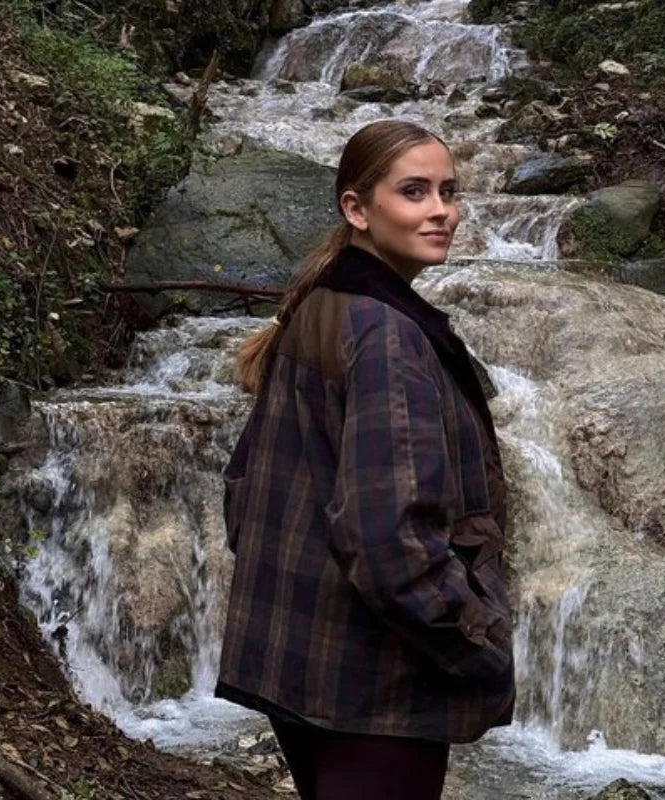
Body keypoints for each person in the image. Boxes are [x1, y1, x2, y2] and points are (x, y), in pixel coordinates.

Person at [216, 119, 515, 800]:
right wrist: (477, 645)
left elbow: (245, 488)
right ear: (357, 207)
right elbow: (389, 541)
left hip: (300, 663)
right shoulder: (385, 335)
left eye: (448, 191)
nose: (442, 211)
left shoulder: (323, 305)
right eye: (414, 192)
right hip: (375, 685)